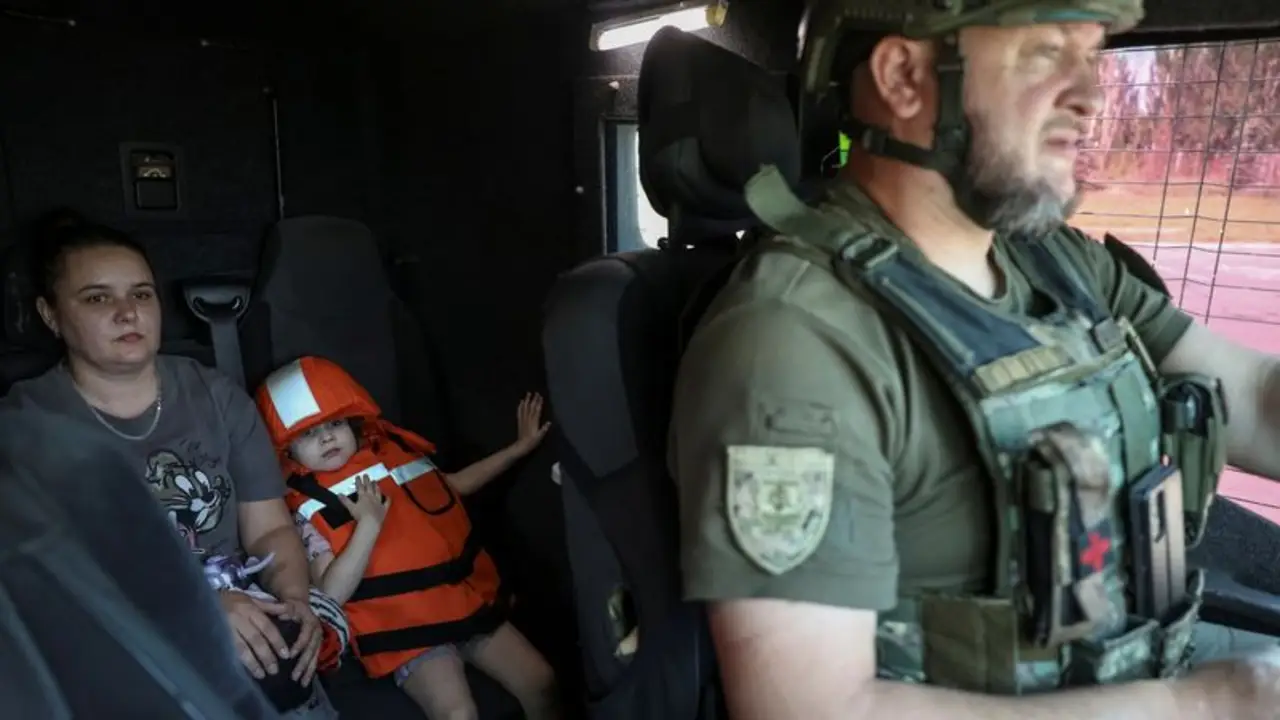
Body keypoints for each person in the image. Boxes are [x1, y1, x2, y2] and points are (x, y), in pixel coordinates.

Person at [668, 1, 1280, 717]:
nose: (1091, 96)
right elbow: (812, 709)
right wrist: (1214, 705)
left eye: (1091, 55)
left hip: (1139, 664)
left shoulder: (1056, 265)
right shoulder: (792, 340)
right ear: (903, 77)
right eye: (1047, 52)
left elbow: (1253, 396)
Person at [0, 220, 339, 718]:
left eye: (141, 293)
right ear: (51, 315)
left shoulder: (217, 397)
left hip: (239, 609)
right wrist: (196, 611)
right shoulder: (26, 423)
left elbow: (268, 529)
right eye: (97, 298)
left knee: (284, 666)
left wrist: (295, 602)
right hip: (115, 631)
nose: (127, 312)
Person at [254, 355, 561, 720]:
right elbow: (331, 592)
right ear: (287, 450)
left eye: (335, 423)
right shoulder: (303, 510)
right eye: (308, 433)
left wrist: (519, 448)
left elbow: (455, 485)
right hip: (405, 629)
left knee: (542, 681)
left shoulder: (391, 456)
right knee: (459, 714)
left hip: (463, 601)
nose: (326, 437)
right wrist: (368, 525)